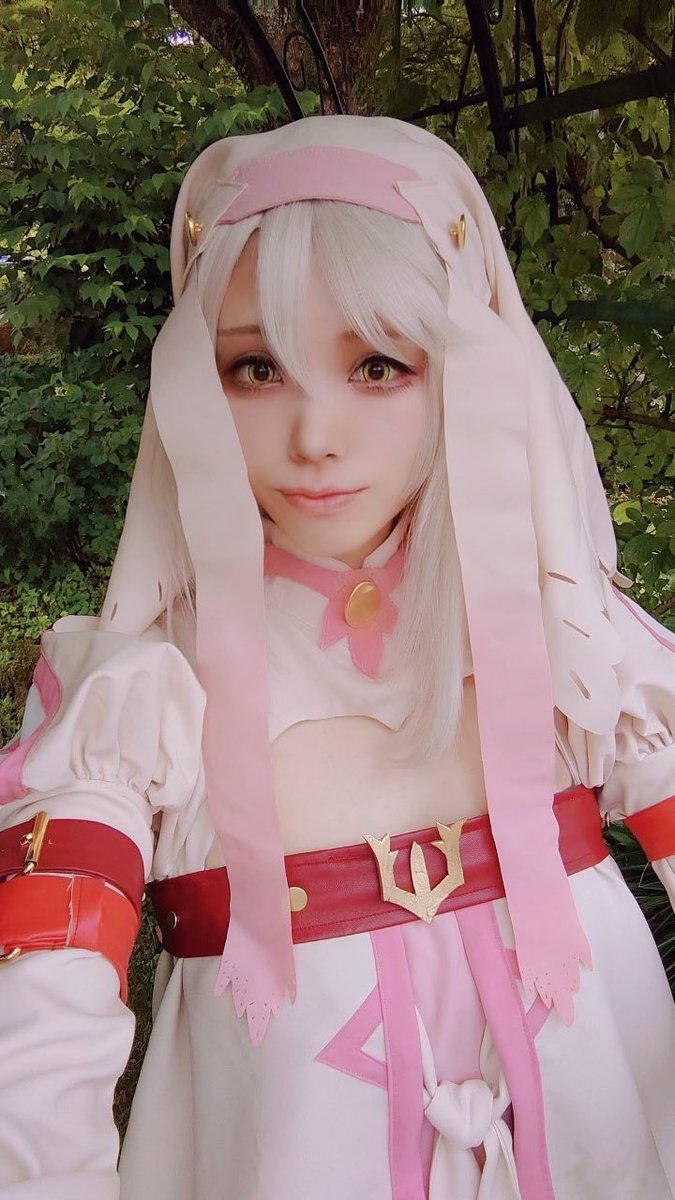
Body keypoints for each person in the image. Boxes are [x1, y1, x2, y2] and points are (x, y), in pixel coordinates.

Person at [1, 114, 675, 1200]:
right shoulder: (141, 688)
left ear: (463, 371)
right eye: (255, 368)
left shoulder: (575, 638)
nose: (315, 437)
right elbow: (38, 1014)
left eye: (376, 364)